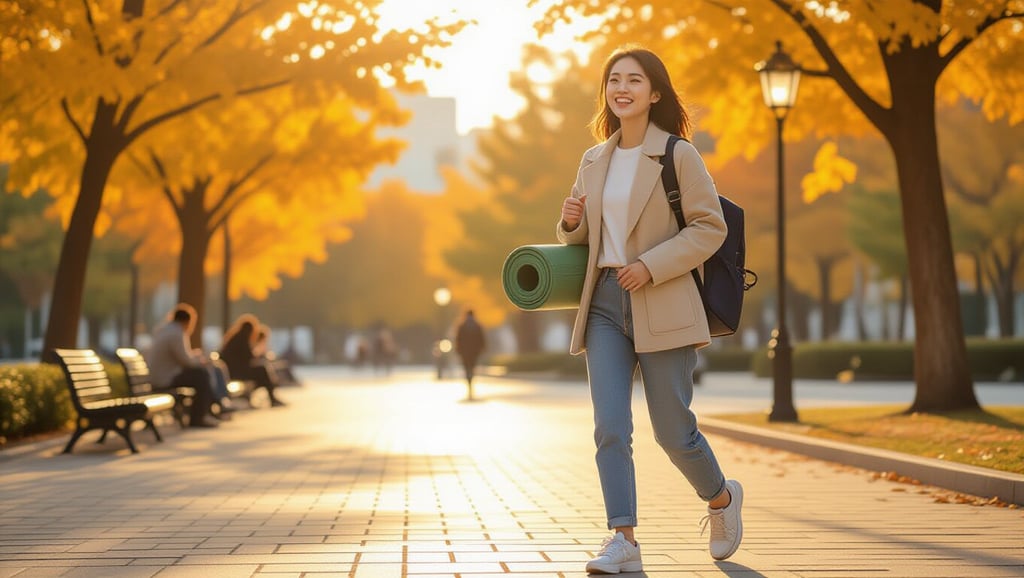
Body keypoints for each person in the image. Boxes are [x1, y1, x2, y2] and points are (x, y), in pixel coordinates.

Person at [556, 46, 743, 574]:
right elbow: (585, 237)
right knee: (610, 426)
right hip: (605, 305)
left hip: (663, 296)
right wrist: (571, 221)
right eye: (614, 79)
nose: (622, 87)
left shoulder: (677, 154)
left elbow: (710, 227)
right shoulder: (594, 159)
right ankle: (623, 540)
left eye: (634, 80)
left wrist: (651, 265)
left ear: (654, 92)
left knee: (673, 431)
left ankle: (722, 499)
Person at [145, 303, 222, 428]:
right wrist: (201, 360)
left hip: (158, 376)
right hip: (165, 379)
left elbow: (181, 357)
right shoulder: (177, 333)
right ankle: (199, 417)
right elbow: (187, 362)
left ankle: (209, 409)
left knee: (200, 374)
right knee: (201, 375)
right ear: (188, 321)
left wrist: (195, 357)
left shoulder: (165, 330)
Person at [220, 314, 286, 407]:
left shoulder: (235, 338)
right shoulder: (242, 340)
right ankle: (272, 398)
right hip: (236, 372)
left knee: (261, 372)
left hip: (233, 370)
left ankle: (256, 396)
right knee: (262, 371)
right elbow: (249, 357)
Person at [454, 309, 486, 400]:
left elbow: (458, 340)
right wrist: (481, 348)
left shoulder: (461, 326)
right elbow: (482, 339)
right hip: (474, 351)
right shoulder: (477, 326)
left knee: (467, 368)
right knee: (472, 367)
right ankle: (470, 380)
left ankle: (469, 382)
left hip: (464, 352)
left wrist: (458, 350)